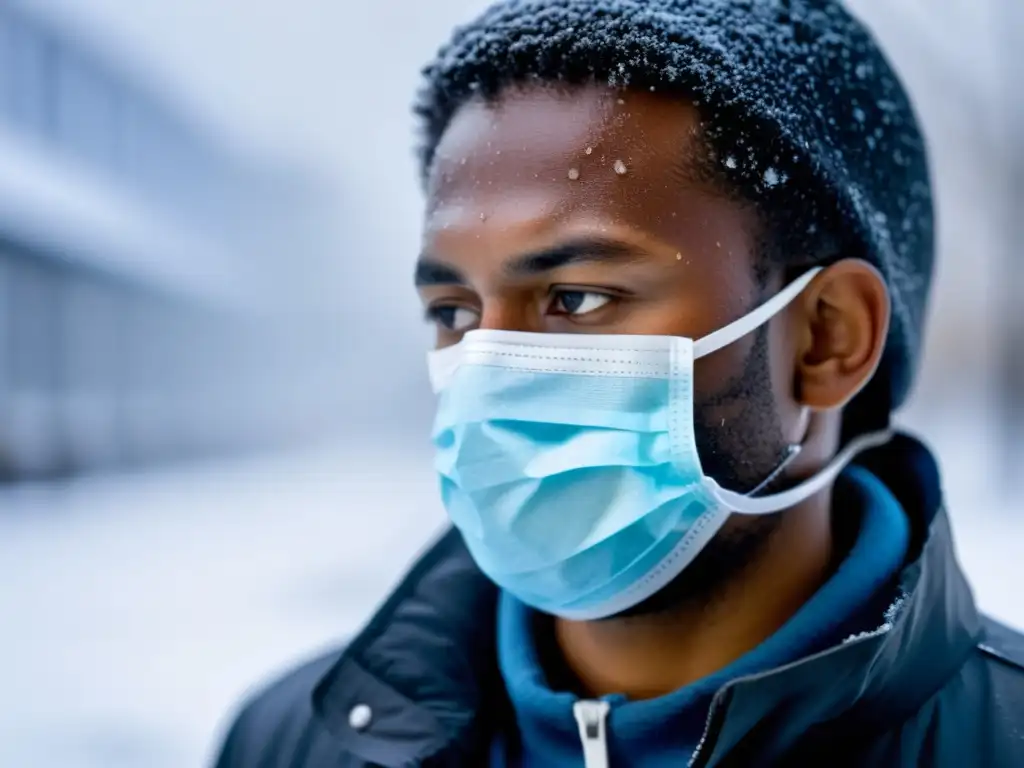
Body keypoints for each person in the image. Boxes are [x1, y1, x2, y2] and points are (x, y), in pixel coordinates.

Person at [212, 1, 1024, 766]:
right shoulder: (292, 741)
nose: (491, 369)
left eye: (578, 298)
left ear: (826, 337)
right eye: (454, 310)